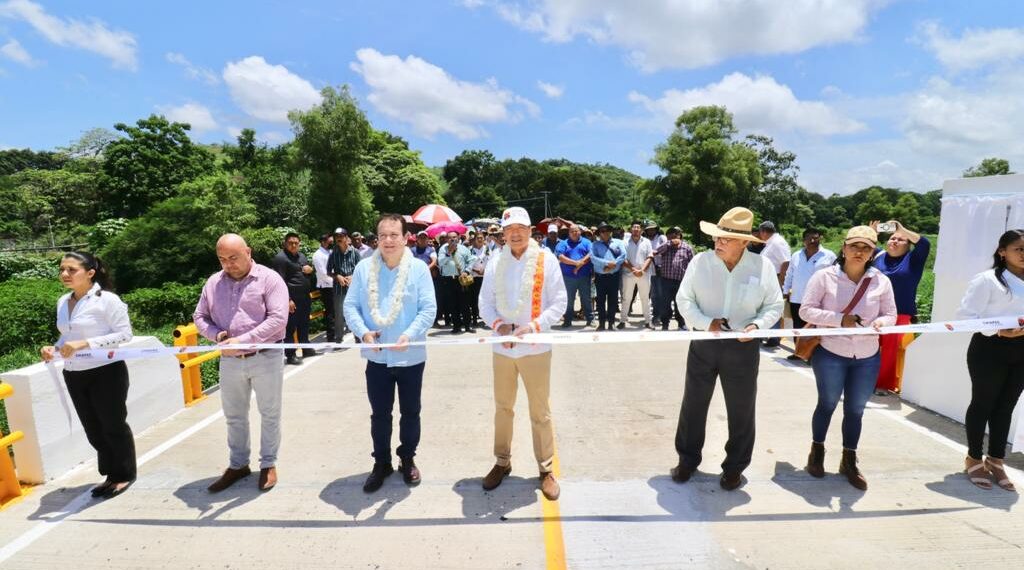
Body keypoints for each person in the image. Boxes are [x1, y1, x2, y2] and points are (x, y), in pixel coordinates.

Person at [673, 207, 784, 491]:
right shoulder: (700, 262)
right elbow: (684, 300)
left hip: (743, 347)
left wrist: (758, 326)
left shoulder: (762, 267)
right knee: (694, 403)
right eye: (717, 236)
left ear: (745, 242)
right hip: (704, 343)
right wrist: (706, 323)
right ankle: (687, 460)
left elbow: (774, 305)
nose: (718, 242)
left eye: (726, 238)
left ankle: (735, 467)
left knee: (741, 409)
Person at [478, 207, 568, 500]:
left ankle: (545, 468)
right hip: (503, 348)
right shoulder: (495, 261)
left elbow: (560, 302)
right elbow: (484, 303)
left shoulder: (546, 259)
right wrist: (499, 325)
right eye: (509, 230)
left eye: (520, 229)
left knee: (540, 411)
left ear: (530, 231)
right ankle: (502, 462)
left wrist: (533, 326)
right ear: (502, 234)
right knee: (503, 408)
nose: (515, 234)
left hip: (535, 346)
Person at [344, 214, 437, 493]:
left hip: (411, 356)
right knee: (380, 414)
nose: (388, 240)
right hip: (377, 357)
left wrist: (411, 333)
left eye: (394, 235)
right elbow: (350, 306)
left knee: (411, 412)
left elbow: (428, 309)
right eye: (382, 235)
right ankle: (381, 462)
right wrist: (363, 332)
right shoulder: (364, 269)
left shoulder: (418, 269)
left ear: (406, 237)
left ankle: (407, 459)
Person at [798, 226, 896, 490]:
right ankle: (817, 452)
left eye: (866, 248)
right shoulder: (824, 277)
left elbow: (890, 314)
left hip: (867, 355)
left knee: (856, 410)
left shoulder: (881, 281)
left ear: (873, 253)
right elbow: (806, 311)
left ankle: (849, 459)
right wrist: (839, 319)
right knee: (827, 404)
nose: (859, 252)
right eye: (854, 246)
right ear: (844, 248)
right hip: (832, 351)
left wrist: (881, 323)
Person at [195, 234, 289, 493]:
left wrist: (244, 340)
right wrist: (218, 335)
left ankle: (268, 463)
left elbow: (278, 319)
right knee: (234, 415)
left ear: (248, 252)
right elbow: (200, 317)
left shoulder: (270, 279)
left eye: (233, 258)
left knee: (269, 413)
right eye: (222, 259)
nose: (228, 264)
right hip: (230, 360)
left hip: (265, 356)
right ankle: (238, 465)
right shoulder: (213, 283)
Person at [40, 252, 136, 499]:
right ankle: (110, 475)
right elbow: (67, 337)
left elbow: (125, 334)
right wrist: (54, 348)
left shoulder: (107, 300)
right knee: (93, 428)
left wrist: (87, 343)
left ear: (90, 273)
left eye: (72, 270)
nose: (64, 274)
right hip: (74, 372)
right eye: (62, 269)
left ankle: (124, 474)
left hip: (106, 371)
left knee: (113, 424)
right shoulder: (63, 301)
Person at [956, 229, 1024, 491]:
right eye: (1019, 249)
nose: (1023, 254)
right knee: (983, 403)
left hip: (1021, 350)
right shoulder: (987, 280)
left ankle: (996, 460)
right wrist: (998, 330)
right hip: (989, 349)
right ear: (1002, 251)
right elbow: (965, 317)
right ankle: (973, 458)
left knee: (1006, 406)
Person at [871, 220, 931, 394]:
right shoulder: (878, 255)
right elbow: (861, 247)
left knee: (890, 351)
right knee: (868, 346)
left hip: (900, 312)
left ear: (908, 244)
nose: (895, 241)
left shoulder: (913, 259)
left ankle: (883, 384)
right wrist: (871, 233)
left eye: (901, 239)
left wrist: (901, 228)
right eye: (892, 238)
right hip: (873, 311)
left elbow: (924, 243)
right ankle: (865, 379)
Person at [782, 229, 837, 360]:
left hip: (818, 300)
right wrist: (785, 291)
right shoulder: (796, 255)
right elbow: (789, 274)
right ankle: (798, 353)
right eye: (809, 238)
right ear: (804, 240)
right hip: (797, 298)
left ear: (820, 239)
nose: (812, 241)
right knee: (798, 326)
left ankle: (813, 355)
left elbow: (836, 276)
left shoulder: (829, 256)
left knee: (815, 327)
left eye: (815, 238)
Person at [271, 232, 315, 365]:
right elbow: (279, 281)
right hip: (291, 299)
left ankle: (305, 347)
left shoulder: (301, 256)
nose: (294, 245)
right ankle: (290, 355)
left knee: (304, 324)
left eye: (296, 243)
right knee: (290, 327)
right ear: (285, 244)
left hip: (304, 297)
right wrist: (288, 299)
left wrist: (310, 270)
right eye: (291, 243)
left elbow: (306, 274)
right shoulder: (281, 258)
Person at [650, 226, 694, 331]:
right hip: (665, 280)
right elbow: (655, 252)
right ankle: (665, 324)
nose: (673, 239)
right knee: (665, 303)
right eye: (670, 237)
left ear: (679, 236)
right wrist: (669, 243)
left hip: (681, 281)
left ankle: (681, 323)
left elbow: (692, 263)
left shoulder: (687, 248)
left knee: (680, 303)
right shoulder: (666, 247)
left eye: (675, 236)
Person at [758, 221, 791, 348]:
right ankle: (764, 334)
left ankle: (774, 336)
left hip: (776, 279)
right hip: (769, 279)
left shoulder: (777, 242)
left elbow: (786, 262)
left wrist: (782, 282)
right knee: (764, 307)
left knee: (773, 307)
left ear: (763, 232)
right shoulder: (771, 242)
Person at [437, 231, 477, 334]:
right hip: (449, 280)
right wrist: (448, 253)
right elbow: (440, 263)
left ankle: (467, 326)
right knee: (452, 304)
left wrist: (466, 271)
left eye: (454, 237)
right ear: (447, 239)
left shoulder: (463, 249)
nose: (452, 239)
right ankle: (456, 326)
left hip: (461, 279)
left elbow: (471, 260)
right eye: (450, 237)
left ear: (458, 238)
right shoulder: (443, 249)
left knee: (465, 303)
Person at [555, 224, 593, 328]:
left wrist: (581, 263)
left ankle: (590, 319)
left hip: (584, 276)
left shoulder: (586, 242)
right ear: (569, 233)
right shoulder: (563, 243)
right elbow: (560, 256)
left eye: (576, 231)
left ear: (580, 232)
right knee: (569, 299)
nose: (574, 233)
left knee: (586, 299)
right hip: (568, 277)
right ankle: (567, 320)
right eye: (572, 231)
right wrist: (576, 263)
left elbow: (591, 253)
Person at [328, 227, 362, 341]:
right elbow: (328, 271)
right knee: (339, 314)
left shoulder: (355, 252)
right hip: (339, 288)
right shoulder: (333, 253)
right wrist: (337, 276)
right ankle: (339, 338)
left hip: (354, 288)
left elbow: (361, 269)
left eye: (341, 236)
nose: (339, 238)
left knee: (355, 312)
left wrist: (353, 276)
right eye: (337, 236)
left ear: (346, 238)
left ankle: (358, 337)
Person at [591, 222, 626, 330]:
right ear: (599, 233)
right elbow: (593, 258)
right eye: (603, 231)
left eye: (607, 230)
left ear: (611, 232)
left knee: (613, 300)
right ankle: (601, 324)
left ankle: (611, 323)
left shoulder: (618, 242)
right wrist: (606, 263)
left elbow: (623, 255)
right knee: (600, 301)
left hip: (614, 276)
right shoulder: (595, 244)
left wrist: (613, 264)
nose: (605, 233)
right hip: (600, 277)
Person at [620, 221, 654, 330]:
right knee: (626, 298)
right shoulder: (624, 242)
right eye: (634, 227)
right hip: (628, 274)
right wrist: (633, 269)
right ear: (631, 229)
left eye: (638, 227)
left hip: (643, 274)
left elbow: (650, 257)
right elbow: (622, 258)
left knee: (645, 298)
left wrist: (642, 270)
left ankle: (648, 321)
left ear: (641, 230)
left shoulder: (647, 242)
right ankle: (622, 321)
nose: (636, 229)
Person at [312, 233, 336, 342]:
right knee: (330, 312)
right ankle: (331, 338)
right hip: (327, 286)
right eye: (329, 241)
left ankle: (337, 333)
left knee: (336, 311)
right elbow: (322, 273)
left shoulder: (330, 252)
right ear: (323, 242)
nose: (331, 243)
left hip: (334, 284)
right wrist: (335, 280)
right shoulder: (317, 255)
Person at [468, 232, 490, 328]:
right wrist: (475, 270)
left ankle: (485, 319)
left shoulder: (487, 249)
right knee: (474, 299)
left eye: (481, 238)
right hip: (474, 278)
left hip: (485, 277)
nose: (480, 240)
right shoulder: (470, 250)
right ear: (475, 239)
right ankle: (474, 319)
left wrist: (485, 270)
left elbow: (491, 261)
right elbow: (467, 263)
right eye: (478, 238)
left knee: (484, 299)